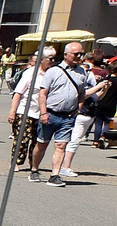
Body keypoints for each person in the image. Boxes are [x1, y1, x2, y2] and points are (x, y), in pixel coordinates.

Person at [34, 41, 91, 186]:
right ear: (66, 55)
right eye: (76, 54)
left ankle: (55, 175)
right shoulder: (53, 71)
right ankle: (34, 169)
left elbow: (82, 93)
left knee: (61, 145)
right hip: (50, 114)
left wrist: (78, 109)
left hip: (68, 116)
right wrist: (43, 113)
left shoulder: (82, 72)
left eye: (81, 54)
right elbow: (43, 93)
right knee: (42, 144)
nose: (79, 56)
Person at [63, 53, 113, 177]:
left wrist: (104, 89)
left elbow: (96, 98)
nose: (88, 73)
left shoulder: (90, 82)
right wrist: (98, 87)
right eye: (86, 70)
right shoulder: (75, 83)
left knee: (75, 141)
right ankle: (64, 166)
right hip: (79, 114)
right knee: (72, 141)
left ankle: (64, 165)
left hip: (89, 114)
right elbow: (83, 95)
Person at [9, 46, 56, 169]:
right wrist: (12, 112)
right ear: (42, 59)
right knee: (21, 139)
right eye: (50, 58)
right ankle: (16, 163)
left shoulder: (53, 74)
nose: (53, 61)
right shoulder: (31, 73)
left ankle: (33, 164)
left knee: (37, 140)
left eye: (54, 59)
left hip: (42, 113)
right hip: (25, 111)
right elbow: (18, 93)